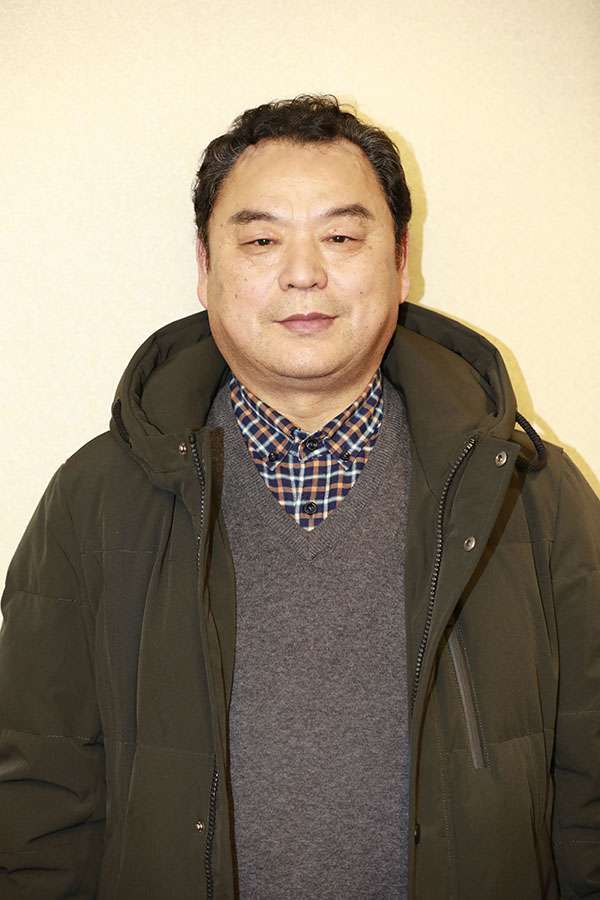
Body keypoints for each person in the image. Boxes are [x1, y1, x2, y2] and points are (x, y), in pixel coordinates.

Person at [0, 94, 598, 900]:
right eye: (261, 240)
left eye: (342, 237)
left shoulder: (530, 493)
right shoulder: (95, 498)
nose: (304, 272)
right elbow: (38, 801)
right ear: (205, 267)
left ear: (401, 260)